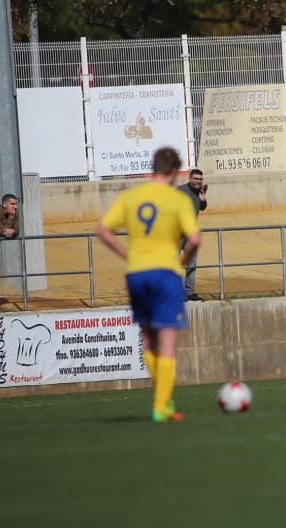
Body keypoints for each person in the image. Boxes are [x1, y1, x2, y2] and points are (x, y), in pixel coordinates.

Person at [95, 148, 201, 422]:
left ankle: (164, 403)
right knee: (167, 341)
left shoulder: (131, 197)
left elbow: (102, 231)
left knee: (147, 338)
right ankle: (160, 406)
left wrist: (127, 254)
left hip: (137, 274)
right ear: (177, 171)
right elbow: (195, 239)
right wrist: (181, 261)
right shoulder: (177, 200)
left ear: (150, 169)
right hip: (166, 272)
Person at [177, 168, 207, 301]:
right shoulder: (180, 190)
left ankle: (190, 292)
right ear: (190, 178)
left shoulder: (199, 191)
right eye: (196, 179)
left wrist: (202, 198)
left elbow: (202, 207)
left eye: (200, 179)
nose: (198, 181)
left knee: (192, 263)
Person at [0, 194, 20, 309]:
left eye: (16, 204)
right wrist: (11, 223)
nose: (15, 206)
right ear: (4, 204)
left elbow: (17, 231)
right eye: (12, 204)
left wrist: (12, 230)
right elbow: (2, 231)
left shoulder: (15, 212)